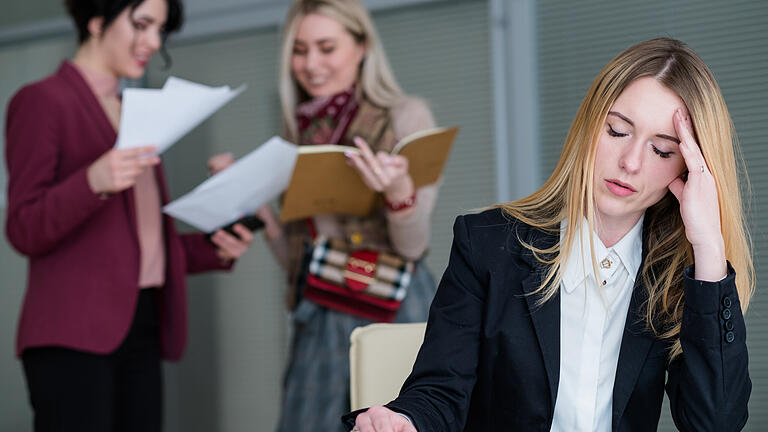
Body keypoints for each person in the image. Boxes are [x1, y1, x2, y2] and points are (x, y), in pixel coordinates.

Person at [344, 38, 754, 431]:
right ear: (588, 127)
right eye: (616, 131)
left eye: (661, 150)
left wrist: (708, 247)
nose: (630, 162)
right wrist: (407, 422)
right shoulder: (487, 245)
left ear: (686, 169)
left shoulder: (679, 280)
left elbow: (715, 422)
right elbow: (440, 392)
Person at [4, 0, 253, 430]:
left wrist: (215, 246)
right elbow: (24, 228)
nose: (153, 43)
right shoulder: (42, 101)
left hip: (141, 326)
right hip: (71, 335)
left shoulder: (133, 110)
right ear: (97, 19)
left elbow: (137, 244)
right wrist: (93, 181)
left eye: (159, 30)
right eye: (142, 25)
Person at [207, 0, 440, 429]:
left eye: (326, 47)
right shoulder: (296, 131)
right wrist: (249, 197)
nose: (310, 63)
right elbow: (296, 260)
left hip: (393, 306)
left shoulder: (405, 116)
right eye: (299, 50)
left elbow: (413, 245)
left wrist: (398, 192)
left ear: (362, 45)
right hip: (320, 312)